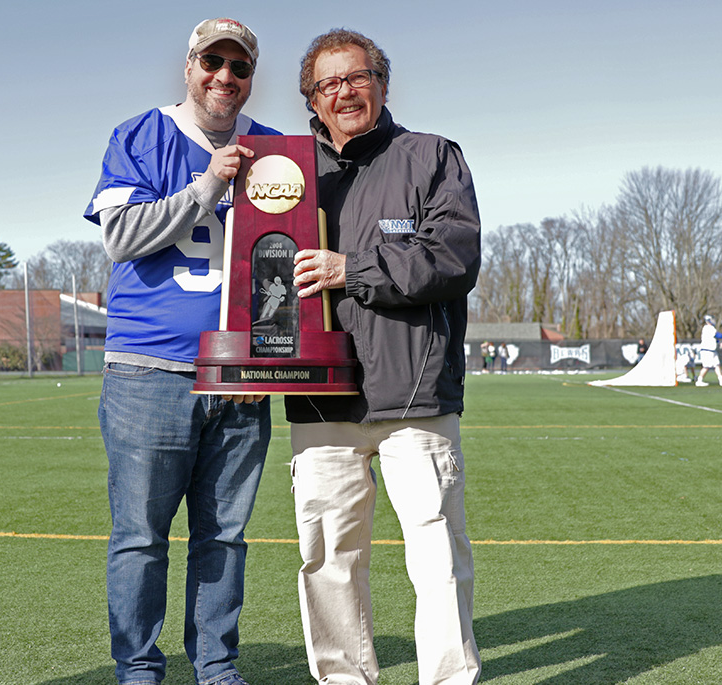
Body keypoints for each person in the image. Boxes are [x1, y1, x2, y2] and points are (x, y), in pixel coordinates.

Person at [81, 17, 277, 685]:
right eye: (212, 62)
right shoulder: (140, 135)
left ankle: (217, 665)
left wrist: (266, 358)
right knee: (141, 535)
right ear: (189, 66)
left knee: (224, 535)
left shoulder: (276, 149)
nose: (225, 76)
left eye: (239, 66)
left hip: (240, 375)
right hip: (149, 368)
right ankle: (138, 667)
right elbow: (120, 237)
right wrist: (205, 189)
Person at [286, 29, 481, 685]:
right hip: (319, 398)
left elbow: (454, 257)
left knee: (436, 557)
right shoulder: (284, 175)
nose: (343, 91)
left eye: (357, 76)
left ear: (383, 84)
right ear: (312, 101)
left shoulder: (431, 156)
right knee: (327, 558)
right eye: (327, 84)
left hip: (415, 397)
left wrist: (353, 267)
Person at [696, 314, 722, 386]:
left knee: (717, 365)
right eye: (712, 319)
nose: (714, 321)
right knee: (706, 366)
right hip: (707, 351)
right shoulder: (708, 328)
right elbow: (717, 335)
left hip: (712, 350)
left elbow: (713, 339)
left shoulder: (710, 328)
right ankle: (699, 381)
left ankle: (721, 380)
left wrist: (720, 343)